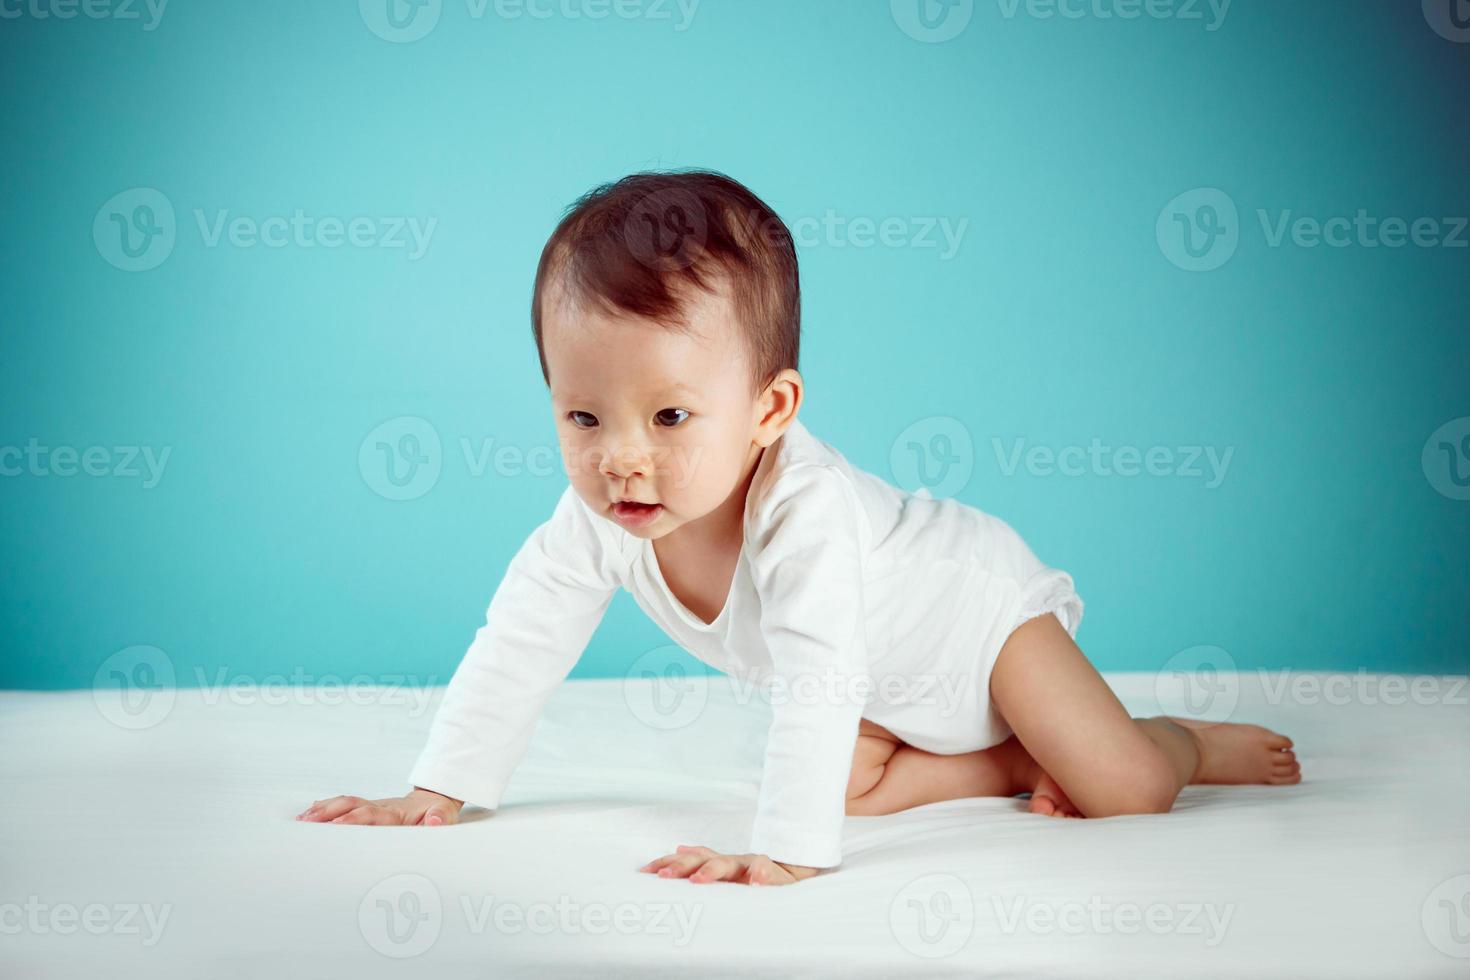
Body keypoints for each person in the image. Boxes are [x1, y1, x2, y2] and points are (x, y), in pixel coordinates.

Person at [297, 170, 1300, 886]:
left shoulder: (805, 509)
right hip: (883, 684)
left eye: (671, 416)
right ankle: (1011, 762)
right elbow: (520, 637)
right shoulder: (599, 517)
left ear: (770, 410)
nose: (622, 457)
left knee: (1123, 787)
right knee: (848, 783)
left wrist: (784, 847)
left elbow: (819, 671)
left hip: (972, 624)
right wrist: (440, 786)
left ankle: (1174, 739)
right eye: (583, 416)